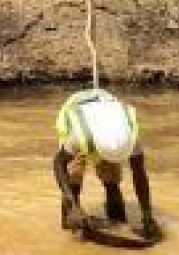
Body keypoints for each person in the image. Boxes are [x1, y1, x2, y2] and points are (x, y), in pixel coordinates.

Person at [52, 88, 162, 240]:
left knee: (112, 181)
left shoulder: (128, 136)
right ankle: (71, 222)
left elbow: (139, 174)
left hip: (105, 113)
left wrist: (147, 216)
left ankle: (118, 224)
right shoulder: (79, 135)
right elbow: (58, 163)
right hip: (77, 115)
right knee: (73, 183)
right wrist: (72, 203)